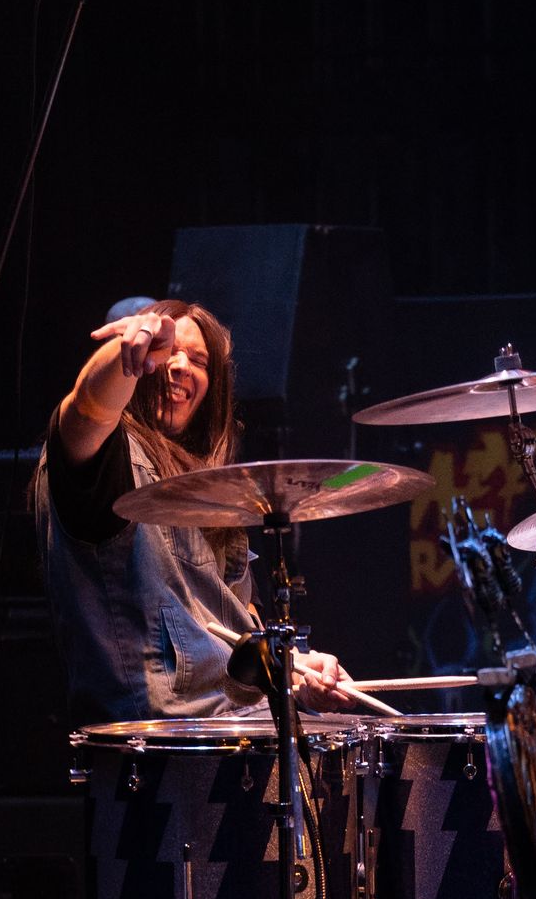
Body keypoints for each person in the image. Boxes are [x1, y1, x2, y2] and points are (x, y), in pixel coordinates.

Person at [33, 297, 351, 725]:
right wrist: (128, 352)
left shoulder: (207, 487)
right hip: (163, 734)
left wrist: (294, 672)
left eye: (198, 360)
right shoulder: (109, 455)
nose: (181, 366)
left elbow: (239, 637)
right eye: (166, 352)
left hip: (237, 717)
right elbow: (89, 409)